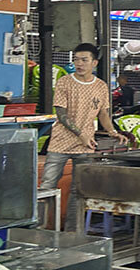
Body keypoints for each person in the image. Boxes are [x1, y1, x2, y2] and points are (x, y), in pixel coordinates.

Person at [41, 43, 129, 228]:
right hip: (59, 144)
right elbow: (61, 114)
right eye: (76, 59)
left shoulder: (101, 86)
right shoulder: (65, 82)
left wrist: (113, 132)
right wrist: (80, 134)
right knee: (47, 186)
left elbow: (103, 113)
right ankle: (39, 228)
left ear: (94, 63)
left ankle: (73, 231)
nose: (79, 63)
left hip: (86, 145)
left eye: (84, 60)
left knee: (78, 190)